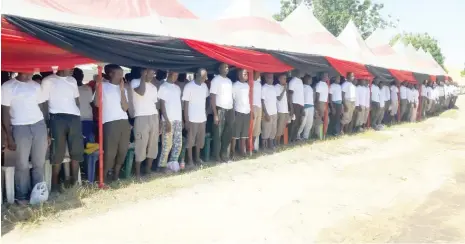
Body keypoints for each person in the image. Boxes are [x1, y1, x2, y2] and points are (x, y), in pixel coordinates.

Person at [1, 73, 48, 204]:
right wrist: (8, 136)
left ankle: (38, 195)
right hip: (19, 126)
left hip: (38, 125)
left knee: (39, 162)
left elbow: (42, 108)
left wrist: (46, 130)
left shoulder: (36, 86)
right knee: (22, 164)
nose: (31, 71)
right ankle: (22, 197)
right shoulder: (8, 86)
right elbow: (4, 112)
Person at [41, 69, 83, 190]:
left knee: (76, 151)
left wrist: (77, 114)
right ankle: (54, 185)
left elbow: (77, 100)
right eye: (70, 66)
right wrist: (47, 123)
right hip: (56, 117)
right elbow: (43, 103)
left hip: (74, 117)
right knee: (57, 152)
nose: (72, 68)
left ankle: (74, 183)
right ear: (61, 66)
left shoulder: (72, 80)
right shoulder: (48, 80)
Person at [94, 64, 131, 182]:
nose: (122, 76)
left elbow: (125, 108)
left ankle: (116, 176)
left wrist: (121, 91)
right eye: (119, 73)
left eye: (122, 74)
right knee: (110, 153)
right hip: (110, 122)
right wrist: (97, 85)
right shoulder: (103, 86)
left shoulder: (123, 89)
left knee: (123, 150)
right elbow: (96, 104)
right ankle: (103, 178)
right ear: (110, 74)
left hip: (124, 122)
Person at [130, 68, 159, 179]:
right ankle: (137, 173)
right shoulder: (136, 82)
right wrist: (143, 77)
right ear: (144, 72)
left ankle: (148, 169)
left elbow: (155, 105)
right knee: (141, 145)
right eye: (150, 73)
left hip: (154, 116)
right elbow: (141, 92)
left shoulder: (153, 87)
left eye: (153, 73)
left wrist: (159, 120)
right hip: (141, 117)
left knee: (153, 145)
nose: (152, 76)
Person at [182, 68, 209, 167]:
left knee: (199, 141)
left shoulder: (205, 86)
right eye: (203, 77)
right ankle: (190, 160)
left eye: (205, 76)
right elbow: (185, 105)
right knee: (190, 141)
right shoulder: (189, 86)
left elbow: (206, 101)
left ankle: (197, 158)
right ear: (197, 75)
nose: (205, 79)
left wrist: (205, 114)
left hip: (202, 118)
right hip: (192, 119)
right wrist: (186, 120)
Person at [158, 71, 183, 172]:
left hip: (178, 119)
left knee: (178, 143)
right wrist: (166, 120)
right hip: (168, 120)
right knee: (167, 144)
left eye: (177, 75)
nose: (176, 77)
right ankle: (162, 166)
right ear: (169, 74)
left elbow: (178, 104)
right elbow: (162, 106)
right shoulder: (163, 87)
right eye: (174, 75)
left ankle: (173, 163)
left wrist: (182, 120)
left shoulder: (177, 88)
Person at [210, 63, 234, 162]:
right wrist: (215, 114)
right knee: (218, 134)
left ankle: (224, 154)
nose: (227, 69)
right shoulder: (216, 80)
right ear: (219, 69)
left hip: (229, 109)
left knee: (227, 134)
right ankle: (216, 156)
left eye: (228, 67)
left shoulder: (229, 81)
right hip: (220, 110)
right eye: (225, 67)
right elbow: (212, 97)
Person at [231, 69, 250, 159]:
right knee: (235, 134)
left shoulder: (247, 85)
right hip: (238, 111)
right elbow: (232, 99)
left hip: (247, 111)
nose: (246, 75)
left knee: (244, 134)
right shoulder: (235, 86)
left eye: (247, 73)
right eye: (244, 73)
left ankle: (243, 151)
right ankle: (233, 152)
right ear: (239, 75)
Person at [74, 68, 95, 144]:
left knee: (80, 142)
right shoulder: (88, 88)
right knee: (86, 143)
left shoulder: (88, 88)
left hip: (81, 119)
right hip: (83, 118)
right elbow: (91, 103)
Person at [261, 73, 278, 150]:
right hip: (267, 113)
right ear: (266, 78)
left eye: (272, 77)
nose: (271, 79)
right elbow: (262, 101)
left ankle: (271, 145)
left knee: (273, 130)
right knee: (266, 130)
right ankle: (264, 146)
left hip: (274, 112)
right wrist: (266, 113)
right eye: (269, 77)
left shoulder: (274, 88)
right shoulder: (264, 88)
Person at [287, 70, 304, 142]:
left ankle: (294, 138)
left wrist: (303, 107)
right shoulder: (293, 81)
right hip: (295, 104)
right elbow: (289, 95)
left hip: (300, 104)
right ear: (297, 71)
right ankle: (289, 139)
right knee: (294, 123)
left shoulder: (300, 81)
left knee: (298, 122)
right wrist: (291, 108)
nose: (303, 72)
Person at [297, 74, 314, 140]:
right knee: (302, 122)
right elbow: (300, 97)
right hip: (305, 106)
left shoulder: (310, 88)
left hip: (311, 107)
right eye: (310, 79)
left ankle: (305, 136)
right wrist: (302, 107)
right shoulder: (302, 87)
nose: (311, 81)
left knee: (309, 123)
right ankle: (298, 135)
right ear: (306, 79)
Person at [275, 73, 289, 147]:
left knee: (283, 127)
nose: (285, 80)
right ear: (279, 79)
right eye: (283, 78)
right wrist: (284, 90)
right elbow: (279, 98)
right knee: (279, 127)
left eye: (285, 78)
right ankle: (276, 142)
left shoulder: (284, 87)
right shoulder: (277, 87)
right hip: (280, 110)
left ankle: (279, 142)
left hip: (285, 110)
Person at [314, 72, 329, 138]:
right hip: (320, 103)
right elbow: (317, 96)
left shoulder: (325, 84)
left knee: (326, 120)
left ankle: (323, 134)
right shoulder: (319, 84)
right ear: (322, 76)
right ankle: (318, 135)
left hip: (325, 103)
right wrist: (318, 107)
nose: (327, 77)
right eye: (326, 75)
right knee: (319, 120)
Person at [251, 71, 262, 152]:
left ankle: (253, 145)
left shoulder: (259, 84)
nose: (259, 74)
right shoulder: (250, 83)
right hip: (253, 106)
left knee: (257, 129)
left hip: (259, 106)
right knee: (251, 127)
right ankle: (248, 146)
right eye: (258, 73)